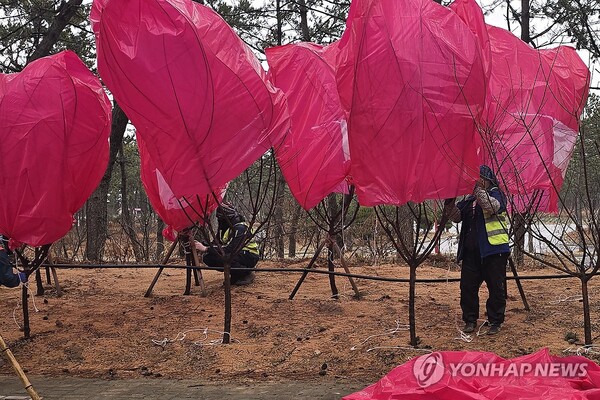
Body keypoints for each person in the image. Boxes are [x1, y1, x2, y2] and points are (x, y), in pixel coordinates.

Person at [444, 165, 510, 335]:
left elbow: (492, 206)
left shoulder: (497, 194)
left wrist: (476, 189)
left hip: (494, 251)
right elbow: (456, 217)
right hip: (471, 253)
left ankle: (495, 321)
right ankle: (470, 320)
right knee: (467, 288)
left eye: (479, 178)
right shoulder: (468, 200)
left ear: (487, 180)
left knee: (496, 288)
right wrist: (449, 200)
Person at [195, 203, 259, 286]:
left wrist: (206, 249)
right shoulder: (224, 229)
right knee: (209, 258)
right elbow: (216, 244)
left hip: (249, 255)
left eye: (221, 219)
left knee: (226, 257)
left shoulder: (240, 228)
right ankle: (236, 275)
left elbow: (231, 249)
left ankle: (247, 273)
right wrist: (202, 245)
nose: (220, 222)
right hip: (237, 254)